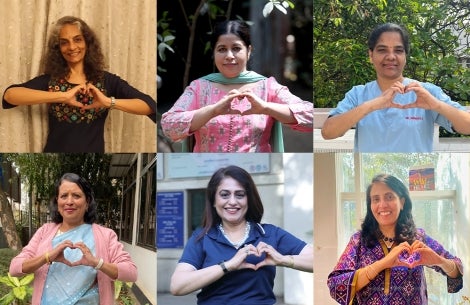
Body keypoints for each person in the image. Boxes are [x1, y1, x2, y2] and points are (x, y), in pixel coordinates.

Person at [2, 16, 156, 152]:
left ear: (87, 43)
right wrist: (62, 96)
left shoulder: (106, 80)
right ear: (58, 48)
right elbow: (10, 95)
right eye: (64, 42)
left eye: (77, 39)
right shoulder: (51, 81)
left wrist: (108, 102)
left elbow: (149, 105)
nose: (72, 47)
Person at [161, 20, 313, 152]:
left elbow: (311, 117)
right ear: (213, 53)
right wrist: (212, 111)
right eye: (221, 49)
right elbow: (168, 126)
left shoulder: (268, 87)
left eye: (236, 48)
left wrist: (266, 108)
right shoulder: (199, 88)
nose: (229, 55)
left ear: (249, 51)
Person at [170, 165, 313, 304]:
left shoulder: (269, 233)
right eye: (224, 195)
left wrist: (283, 259)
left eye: (240, 195)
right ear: (214, 200)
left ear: (248, 200)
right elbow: (177, 286)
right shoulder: (202, 237)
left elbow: (319, 260)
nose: (232, 201)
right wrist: (228, 266)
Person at [321, 23, 470, 152]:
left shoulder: (425, 92)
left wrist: (437, 105)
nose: (391, 56)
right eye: (382, 50)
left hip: (416, 178)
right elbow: (328, 132)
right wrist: (370, 106)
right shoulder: (358, 94)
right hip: (371, 174)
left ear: (406, 56)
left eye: (398, 50)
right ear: (371, 55)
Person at [327, 174, 463, 304]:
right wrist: (382, 264)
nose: (382, 205)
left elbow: (457, 268)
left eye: (389, 197)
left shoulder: (418, 238)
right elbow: (335, 285)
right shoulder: (358, 241)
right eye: (375, 199)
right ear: (370, 205)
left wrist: (439, 261)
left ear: (402, 202)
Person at [10, 173, 137, 305]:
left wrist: (97, 263)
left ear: (87, 202)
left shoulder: (105, 235)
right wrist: (47, 257)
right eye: (64, 196)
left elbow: (131, 272)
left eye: (76, 196)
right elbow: (15, 268)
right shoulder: (45, 232)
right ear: (57, 202)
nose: (69, 201)